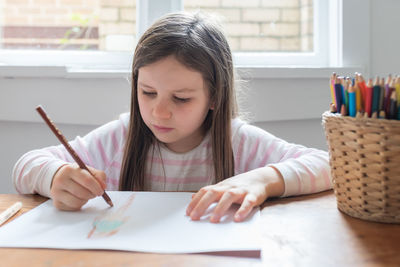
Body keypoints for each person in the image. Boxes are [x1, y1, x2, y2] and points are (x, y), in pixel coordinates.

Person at [13, 12, 332, 223]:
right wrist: (55, 177)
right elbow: (25, 166)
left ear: (215, 97)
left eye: (181, 98)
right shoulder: (121, 137)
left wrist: (260, 180)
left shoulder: (238, 142)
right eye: (147, 92)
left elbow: (328, 165)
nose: (158, 112)